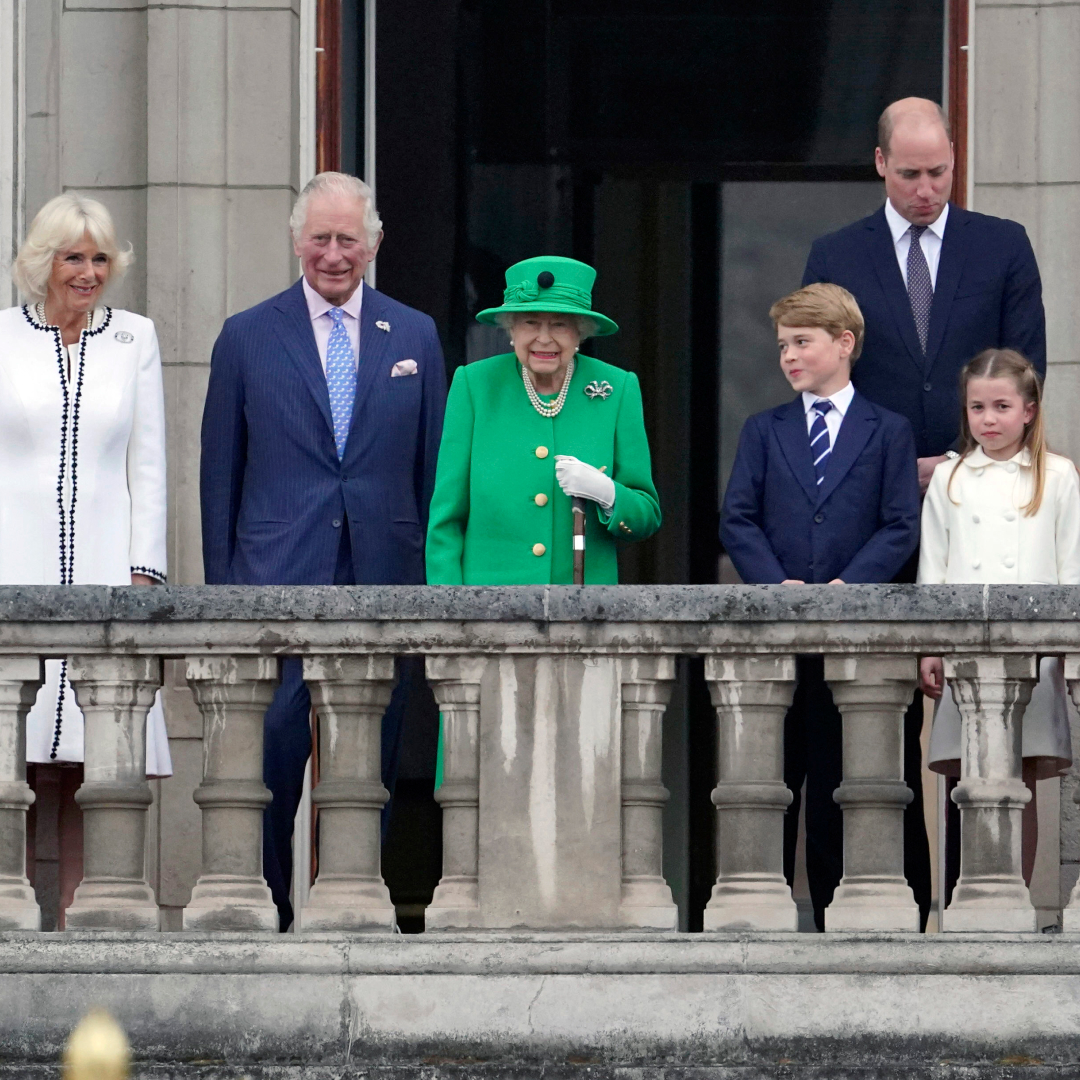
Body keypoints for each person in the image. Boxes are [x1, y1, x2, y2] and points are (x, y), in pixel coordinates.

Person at [800, 96, 1045, 920]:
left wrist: (964, 465)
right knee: (863, 713)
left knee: (982, 723)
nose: (926, 188)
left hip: (980, 511)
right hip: (871, 513)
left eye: (939, 171)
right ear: (879, 166)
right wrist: (892, 466)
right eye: (909, 174)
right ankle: (874, 902)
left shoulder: (1002, 246)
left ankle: (978, 903)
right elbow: (824, 384)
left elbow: (1023, 373)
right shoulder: (836, 252)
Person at [200, 172, 447, 929]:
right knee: (270, 755)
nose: (333, 255)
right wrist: (223, 597)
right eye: (320, 238)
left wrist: (430, 586)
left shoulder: (414, 335)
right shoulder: (247, 334)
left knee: (366, 761)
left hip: (384, 577)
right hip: (274, 581)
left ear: (374, 243)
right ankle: (271, 907)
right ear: (296, 239)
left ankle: (352, 908)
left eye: (348, 240)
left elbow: (432, 468)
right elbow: (220, 473)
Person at [721, 283, 920, 930]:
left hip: (857, 643)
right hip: (779, 641)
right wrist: (775, 585)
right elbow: (738, 519)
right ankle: (769, 920)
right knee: (773, 785)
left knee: (849, 785)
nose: (789, 356)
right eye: (782, 345)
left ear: (844, 343)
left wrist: (849, 587)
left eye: (801, 342)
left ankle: (845, 922)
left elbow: (899, 524)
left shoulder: (888, 430)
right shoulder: (764, 429)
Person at [0, 191, 170, 926]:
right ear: (44, 262)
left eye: (100, 258)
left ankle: (79, 922)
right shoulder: (2, 337)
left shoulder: (135, 339)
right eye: (74, 256)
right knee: (15, 753)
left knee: (89, 761)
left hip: (105, 565)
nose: (89, 271)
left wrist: (144, 571)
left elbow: (151, 462)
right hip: (16, 559)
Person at [919, 349, 1078, 889]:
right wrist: (930, 646)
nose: (988, 420)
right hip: (965, 651)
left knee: (1021, 778)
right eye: (977, 408)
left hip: (1033, 654)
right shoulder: (951, 478)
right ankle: (966, 900)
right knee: (965, 777)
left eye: (1002, 406)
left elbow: (1071, 568)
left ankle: (1017, 902)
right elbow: (933, 570)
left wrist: (1066, 648)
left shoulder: (1056, 476)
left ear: (1029, 410)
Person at [426, 255, 661, 586]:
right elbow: (446, 520)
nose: (544, 339)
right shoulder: (475, 386)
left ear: (581, 333)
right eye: (531, 323)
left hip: (583, 611)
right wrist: (450, 612)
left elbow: (646, 516)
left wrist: (608, 494)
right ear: (511, 329)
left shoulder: (617, 389)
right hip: (487, 608)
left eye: (560, 324)